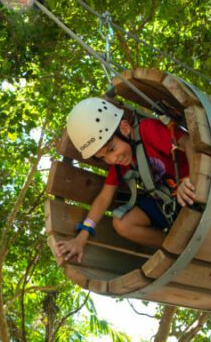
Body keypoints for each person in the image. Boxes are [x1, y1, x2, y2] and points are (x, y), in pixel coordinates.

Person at [56, 97, 196, 264]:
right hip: (169, 202)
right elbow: (104, 198)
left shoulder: (148, 130)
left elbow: (188, 143)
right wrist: (82, 237)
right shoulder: (120, 165)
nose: (112, 159)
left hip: (194, 188)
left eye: (112, 149)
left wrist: (191, 178)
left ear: (124, 128)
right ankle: (176, 247)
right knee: (122, 223)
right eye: (103, 157)